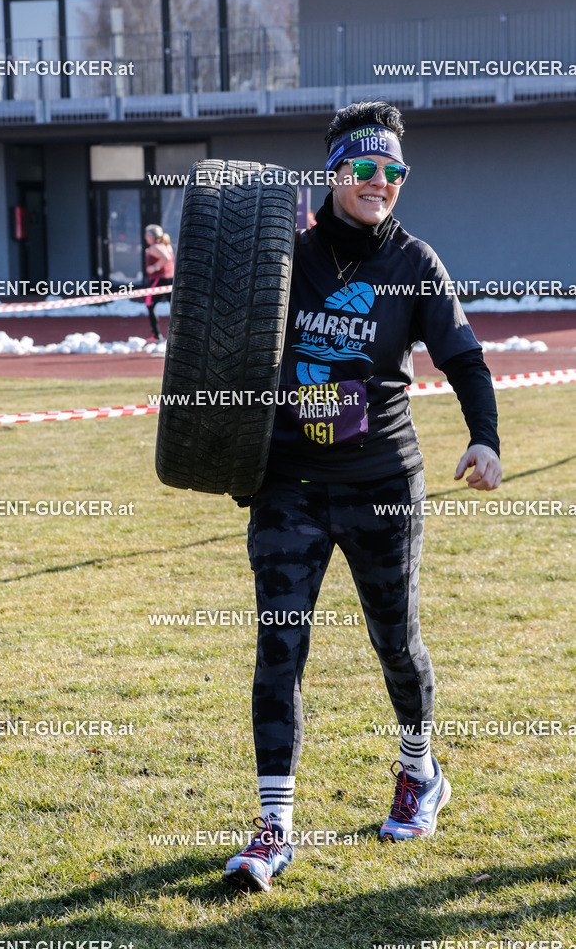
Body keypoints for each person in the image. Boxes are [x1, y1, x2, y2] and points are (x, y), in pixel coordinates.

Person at [222, 101, 502, 893]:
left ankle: (420, 773)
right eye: (362, 169)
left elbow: (465, 359)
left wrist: (483, 437)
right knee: (279, 649)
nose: (377, 183)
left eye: (391, 173)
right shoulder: (283, 256)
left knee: (395, 642)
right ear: (333, 172)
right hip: (287, 486)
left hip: (382, 482)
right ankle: (272, 827)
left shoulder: (416, 263)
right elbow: (218, 333)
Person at [144, 224, 174, 343]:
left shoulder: (155, 247)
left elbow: (165, 258)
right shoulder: (167, 245)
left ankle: (155, 335)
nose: (145, 237)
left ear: (151, 236)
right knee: (175, 307)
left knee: (149, 304)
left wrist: (154, 267)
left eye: (147, 235)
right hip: (170, 280)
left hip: (159, 280)